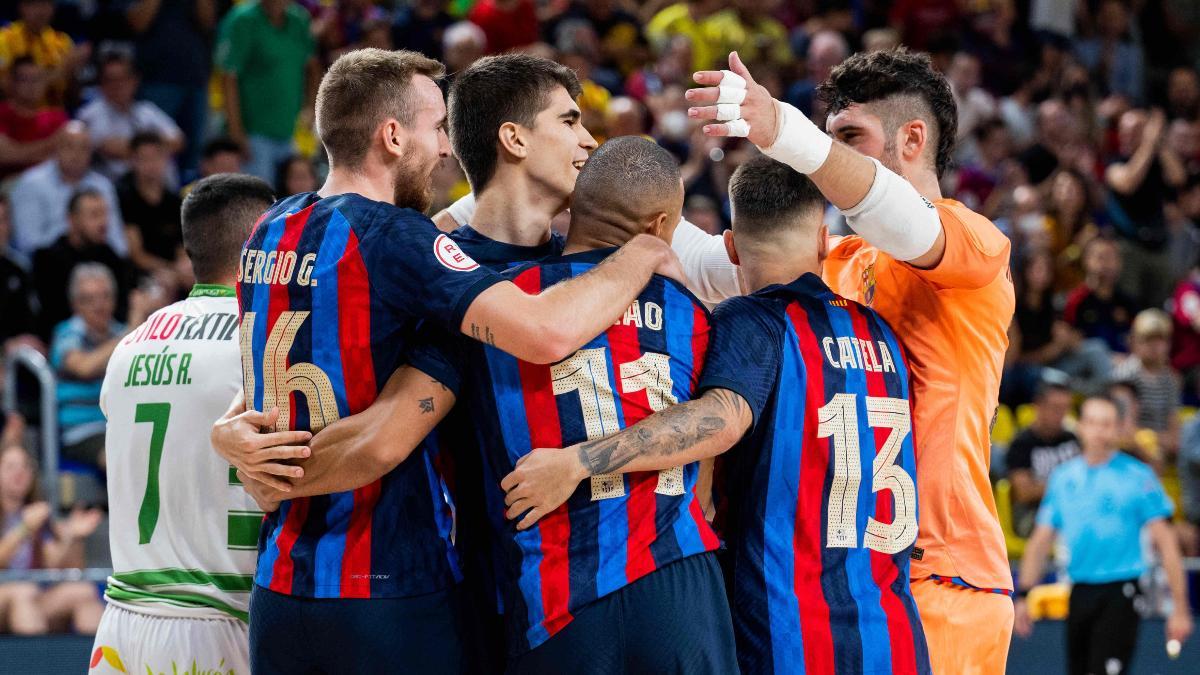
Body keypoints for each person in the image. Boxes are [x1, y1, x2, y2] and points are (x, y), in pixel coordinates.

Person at [227, 48, 682, 674]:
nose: (445, 149)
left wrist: (235, 440)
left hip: (282, 584)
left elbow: (272, 375)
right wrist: (644, 250)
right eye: (435, 129)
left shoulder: (271, 227)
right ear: (392, 135)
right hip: (401, 584)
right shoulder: (410, 242)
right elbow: (543, 334)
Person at [503, 154, 932, 674]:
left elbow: (721, 420)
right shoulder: (882, 333)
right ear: (824, 240)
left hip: (789, 632)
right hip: (894, 634)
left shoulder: (751, 321)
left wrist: (579, 462)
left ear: (729, 248)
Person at [685, 48, 1016, 671]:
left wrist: (788, 133)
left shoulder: (974, 243)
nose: (820, 156)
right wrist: (580, 182)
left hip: (944, 578)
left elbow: (902, 222)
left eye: (847, 136)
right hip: (853, 583)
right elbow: (712, 262)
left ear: (912, 138)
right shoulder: (838, 260)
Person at [89, 174, 275, 674]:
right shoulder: (264, 342)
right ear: (264, 239)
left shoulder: (130, 345)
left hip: (122, 623)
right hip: (221, 616)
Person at [1015, 395, 1194, 675]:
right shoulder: (1064, 478)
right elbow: (1041, 540)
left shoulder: (1137, 476)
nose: (1099, 431)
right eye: (1093, 422)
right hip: (1078, 589)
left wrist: (1180, 608)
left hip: (1121, 590)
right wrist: (1024, 594)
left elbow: (1167, 542)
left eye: (1107, 424)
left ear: (1118, 428)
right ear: (1081, 426)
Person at [49, 264, 148, 471]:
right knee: (119, 456)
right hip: (82, 431)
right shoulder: (67, 333)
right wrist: (132, 332)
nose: (99, 305)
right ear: (75, 304)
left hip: (125, 425)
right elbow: (84, 366)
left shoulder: (123, 332)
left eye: (105, 296)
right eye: (89, 299)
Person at [0, 444, 104, 635]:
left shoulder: (38, 514)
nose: (19, 472)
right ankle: (36, 664)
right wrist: (24, 529)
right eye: (10, 466)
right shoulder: (30, 520)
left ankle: (97, 662)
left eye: (25, 466)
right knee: (22, 593)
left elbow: (54, 566)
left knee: (83, 591)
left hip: (32, 598)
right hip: (8, 595)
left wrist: (73, 537)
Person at [215, 0, 320, 182]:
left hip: (290, 130)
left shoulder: (300, 20)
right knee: (261, 201)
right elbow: (228, 77)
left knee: (292, 203)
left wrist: (312, 107)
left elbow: (312, 67)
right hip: (253, 134)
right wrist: (236, 132)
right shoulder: (242, 20)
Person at [124, 0, 216, 176]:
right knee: (150, 151)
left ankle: (189, 198)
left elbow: (208, 21)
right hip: (156, 80)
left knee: (194, 157)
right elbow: (137, 22)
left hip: (195, 78)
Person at [9, 122, 127, 257]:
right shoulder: (31, 184)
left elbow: (117, 241)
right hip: (50, 264)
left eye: (83, 148)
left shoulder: (103, 186)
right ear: (56, 148)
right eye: (69, 146)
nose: (76, 154)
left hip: (97, 265)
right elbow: (29, 243)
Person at [31, 189, 130, 339]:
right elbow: (53, 313)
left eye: (105, 214)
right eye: (94, 215)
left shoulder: (109, 254)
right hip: (66, 340)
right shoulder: (48, 259)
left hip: (109, 334)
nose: (103, 222)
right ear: (72, 220)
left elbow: (123, 303)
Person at [76, 53, 184, 184]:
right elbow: (109, 148)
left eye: (123, 79)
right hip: (116, 188)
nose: (117, 85)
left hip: (156, 188)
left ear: (134, 80)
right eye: (111, 80)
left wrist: (139, 150)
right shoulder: (91, 113)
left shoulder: (146, 110)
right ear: (101, 85)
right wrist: (156, 146)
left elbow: (178, 141)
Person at [1005, 377, 1080, 538]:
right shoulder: (1021, 444)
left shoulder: (1073, 438)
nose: (1061, 414)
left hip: (1071, 508)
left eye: (1065, 408)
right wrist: (1067, 484)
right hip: (1033, 513)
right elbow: (1024, 493)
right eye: (1055, 408)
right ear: (1038, 406)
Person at [116, 133, 185, 288]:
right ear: (132, 161)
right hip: (141, 274)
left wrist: (182, 268)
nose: (151, 165)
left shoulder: (175, 201)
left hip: (173, 271)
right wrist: (170, 269)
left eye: (156, 158)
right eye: (144, 159)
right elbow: (137, 255)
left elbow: (182, 247)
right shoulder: (125, 199)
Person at [1113, 310, 1184, 453]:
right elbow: (1124, 431)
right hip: (1131, 452)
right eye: (1147, 339)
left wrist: (1163, 441)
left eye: (1159, 340)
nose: (1154, 346)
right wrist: (1152, 440)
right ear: (1134, 342)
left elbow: (1174, 431)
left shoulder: (1170, 378)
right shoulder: (1124, 375)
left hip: (1164, 452)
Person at [1063, 235, 1137, 353]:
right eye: (1101, 257)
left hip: (1125, 366)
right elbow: (1069, 343)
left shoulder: (1127, 302)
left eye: (1113, 257)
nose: (1108, 264)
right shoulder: (1075, 301)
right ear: (1086, 260)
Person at [0, 56, 66, 179]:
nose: (32, 86)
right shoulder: (2, 113)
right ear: (12, 83)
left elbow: (66, 158)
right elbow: (5, 155)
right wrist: (51, 143)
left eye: (37, 79)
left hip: (51, 182)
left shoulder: (56, 116)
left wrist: (20, 152)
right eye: (25, 79)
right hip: (11, 182)